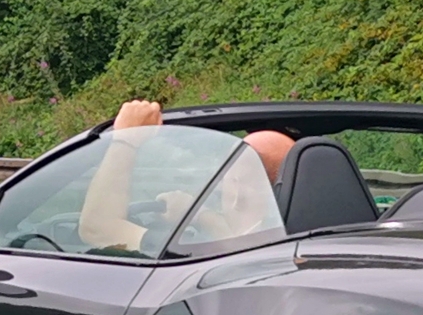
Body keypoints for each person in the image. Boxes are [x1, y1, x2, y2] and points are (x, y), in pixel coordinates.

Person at [75, 100, 295, 255]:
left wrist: (126, 139)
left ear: (237, 190)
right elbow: (232, 239)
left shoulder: (194, 251)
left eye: (228, 174)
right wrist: (203, 217)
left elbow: (96, 228)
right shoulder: (294, 244)